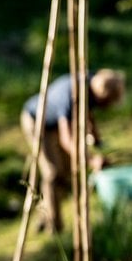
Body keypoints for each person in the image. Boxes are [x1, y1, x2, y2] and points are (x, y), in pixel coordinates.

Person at [20, 68, 125, 234]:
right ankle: (54, 226)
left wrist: (97, 138)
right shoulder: (71, 96)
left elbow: (88, 111)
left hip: (55, 121)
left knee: (66, 171)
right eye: (107, 103)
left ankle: (45, 214)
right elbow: (67, 139)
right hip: (37, 121)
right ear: (101, 96)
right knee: (53, 173)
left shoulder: (92, 82)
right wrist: (91, 160)